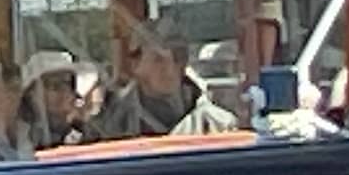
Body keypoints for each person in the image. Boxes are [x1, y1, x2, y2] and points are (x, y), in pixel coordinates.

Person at [88, 19, 238, 141]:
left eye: (178, 57)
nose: (170, 68)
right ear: (136, 64)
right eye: (158, 59)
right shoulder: (111, 127)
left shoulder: (219, 125)